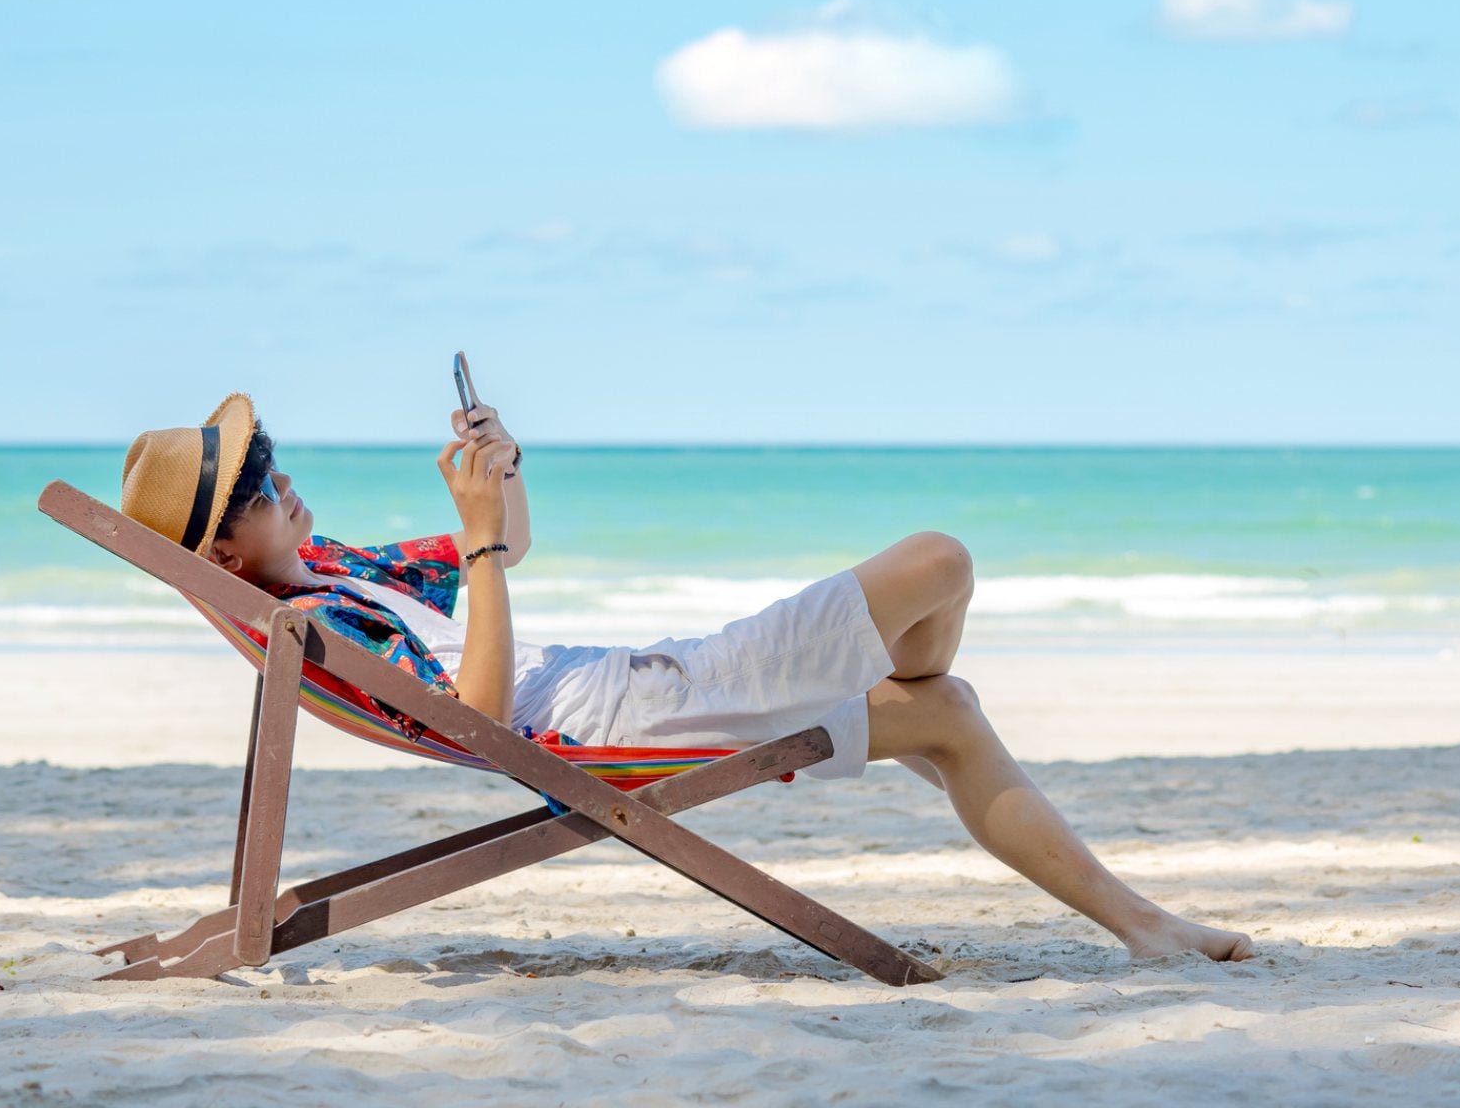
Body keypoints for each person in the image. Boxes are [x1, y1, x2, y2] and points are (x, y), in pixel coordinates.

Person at [120, 392, 1256, 963]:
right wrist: (473, 545)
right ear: (222, 554)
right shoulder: (316, 625)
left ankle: (1142, 925)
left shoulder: (327, 567)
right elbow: (474, 718)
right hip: (637, 716)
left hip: (630, 684)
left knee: (946, 711)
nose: (287, 483)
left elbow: (504, 551)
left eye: (270, 463)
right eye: (262, 486)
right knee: (940, 564)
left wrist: (494, 483)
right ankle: (907, 737)